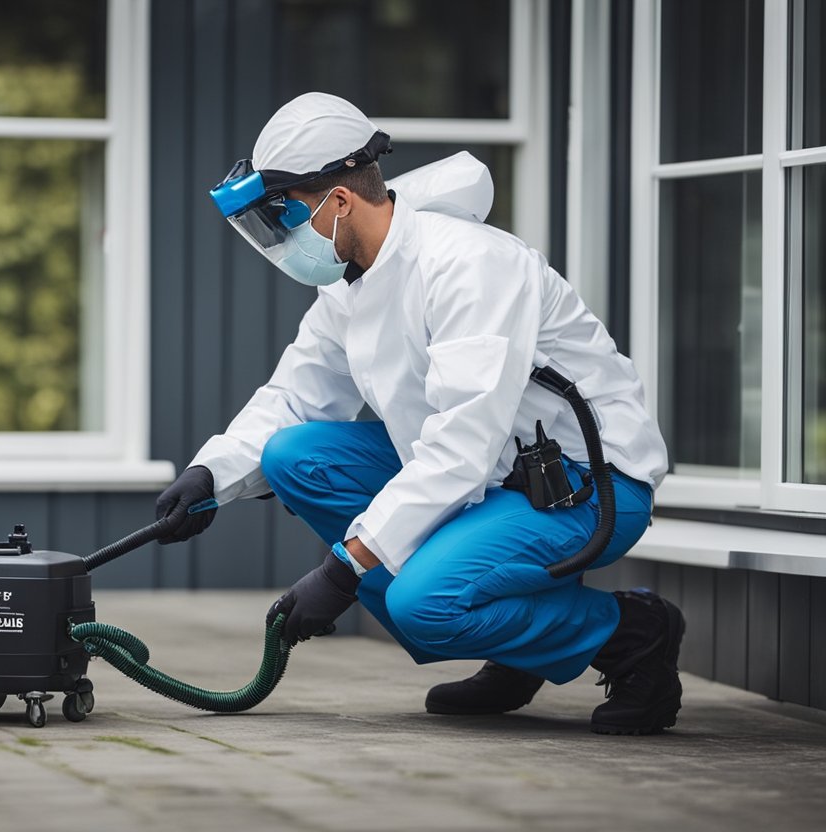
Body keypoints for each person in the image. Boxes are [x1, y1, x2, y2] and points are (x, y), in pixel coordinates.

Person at [154, 92, 681, 736]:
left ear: (339, 202)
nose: (282, 238)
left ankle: (632, 636)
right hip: (492, 478)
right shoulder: (351, 281)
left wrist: (345, 567)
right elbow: (295, 396)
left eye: (284, 215)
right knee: (293, 456)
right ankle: (519, 646)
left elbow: (463, 446)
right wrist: (210, 476)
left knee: (422, 602)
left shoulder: (470, 265)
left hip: (586, 483)